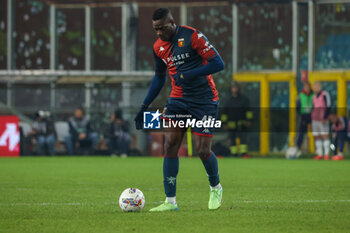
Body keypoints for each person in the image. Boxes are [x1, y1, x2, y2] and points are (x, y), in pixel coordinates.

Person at [134, 8, 225, 211]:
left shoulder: (193, 36)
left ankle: (216, 187)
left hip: (205, 100)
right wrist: (143, 106)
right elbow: (159, 78)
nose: (159, 33)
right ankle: (170, 202)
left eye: (162, 28)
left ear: (172, 23)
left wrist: (188, 75)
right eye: (156, 29)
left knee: (202, 150)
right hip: (178, 100)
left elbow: (219, 63)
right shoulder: (158, 47)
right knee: (170, 146)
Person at [221, 81, 253, 158]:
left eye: (235, 87)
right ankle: (234, 154)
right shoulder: (228, 101)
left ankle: (243, 154)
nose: (234, 89)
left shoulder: (244, 99)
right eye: (233, 87)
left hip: (242, 123)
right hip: (231, 124)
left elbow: (248, 111)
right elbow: (224, 113)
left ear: (238, 88)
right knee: (232, 140)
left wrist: (249, 120)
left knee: (243, 139)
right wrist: (224, 123)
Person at [311, 82, 331, 160]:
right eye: (314, 86)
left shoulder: (325, 94)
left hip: (323, 119)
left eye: (317, 86)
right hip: (314, 119)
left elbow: (328, 105)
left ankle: (326, 154)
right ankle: (319, 153)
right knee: (316, 136)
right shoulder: (314, 96)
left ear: (320, 86)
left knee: (325, 135)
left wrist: (325, 117)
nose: (315, 87)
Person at [295, 81, 314, 154]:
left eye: (308, 87)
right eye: (305, 87)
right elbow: (298, 107)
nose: (306, 88)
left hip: (312, 116)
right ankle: (297, 149)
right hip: (303, 116)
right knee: (301, 133)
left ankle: (318, 151)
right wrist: (301, 116)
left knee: (316, 134)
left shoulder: (314, 95)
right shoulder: (301, 95)